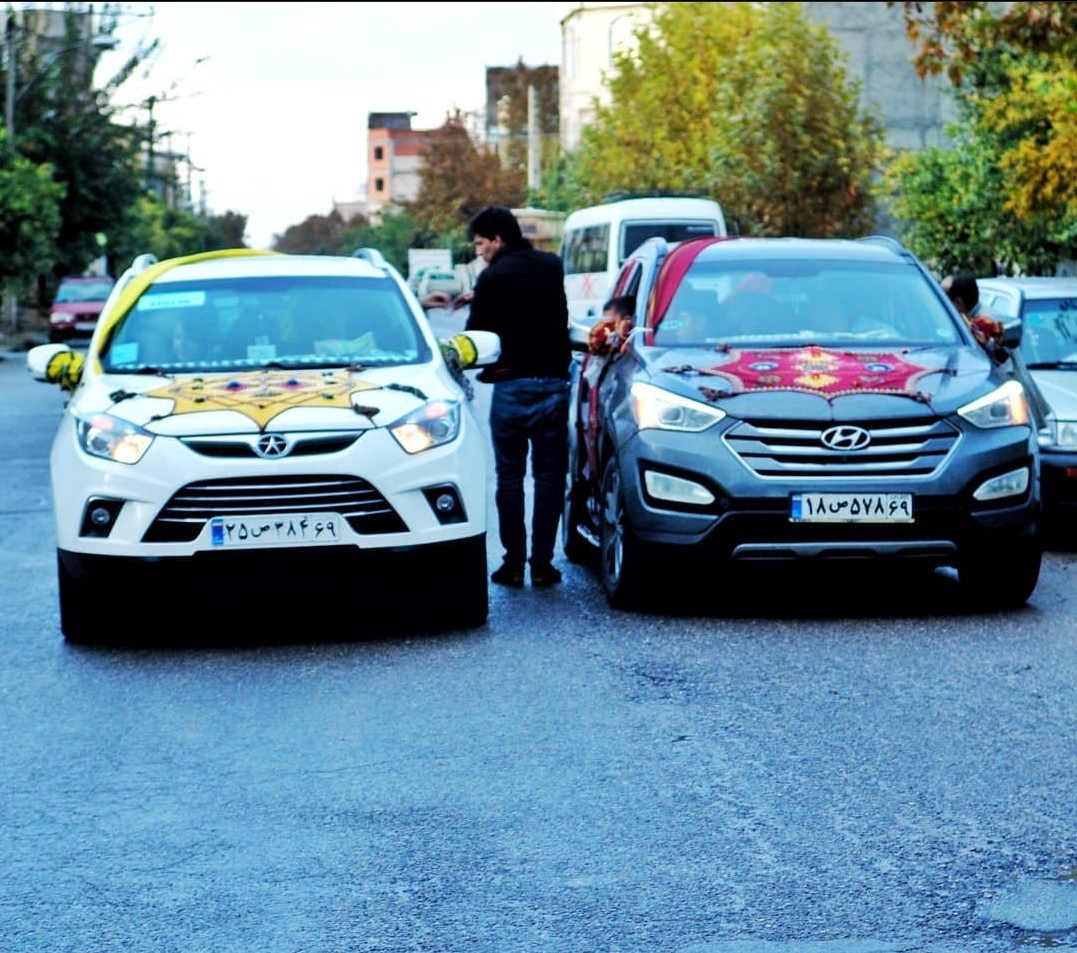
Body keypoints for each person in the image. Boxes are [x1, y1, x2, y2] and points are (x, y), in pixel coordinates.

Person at [461, 204, 572, 588]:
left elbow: (476, 335)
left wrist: (479, 300)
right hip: (554, 383)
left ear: (497, 239)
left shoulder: (492, 277)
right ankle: (542, 564)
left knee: (509, 477)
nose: (479, 251)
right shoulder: (552, 266)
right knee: (549, 477)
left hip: (511, 387)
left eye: (481, 243)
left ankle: (512, 564)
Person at [942, 273, 1005, 352]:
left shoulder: (987, 324)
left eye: (945, 299)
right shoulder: (964, 318)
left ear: (958, 302)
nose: (942, 304)